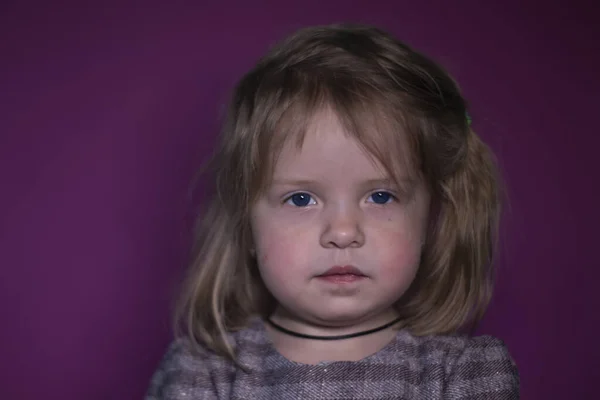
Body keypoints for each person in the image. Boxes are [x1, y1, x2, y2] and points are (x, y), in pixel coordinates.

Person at [145, 23, 519, 399]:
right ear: (247, 225)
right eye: (301, 199)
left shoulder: (461, 375)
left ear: (431, 219)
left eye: (381, 196)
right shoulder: (202, 375)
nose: (343, 232)